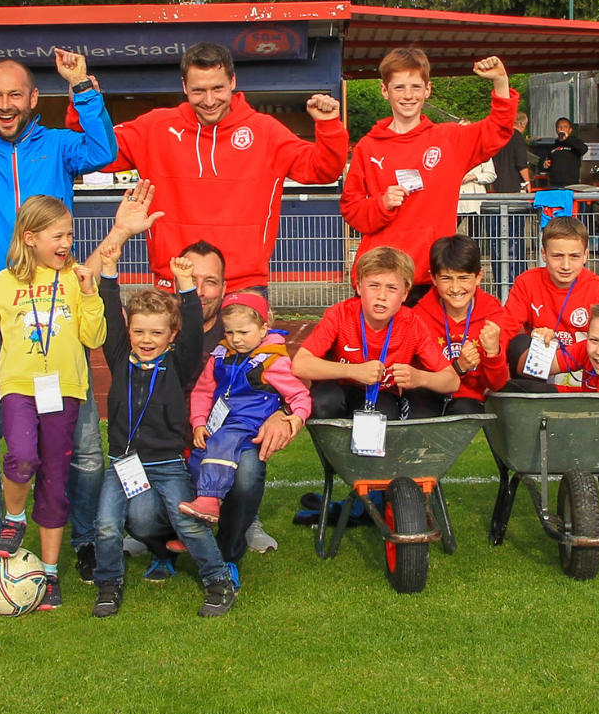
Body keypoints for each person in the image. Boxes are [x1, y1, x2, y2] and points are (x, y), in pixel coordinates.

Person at [0, 49, 116, 584]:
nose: (5, 105)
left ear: (34, 99)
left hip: (56, 312)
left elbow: (104, 150)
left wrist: (83, 86)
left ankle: (80, 540)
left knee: (78, 447)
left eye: (16, 94)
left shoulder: (57, 144)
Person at [98, 41, 347, 294]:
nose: (209, 100)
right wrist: (85, 102)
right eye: (198, 90)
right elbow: (95, 155)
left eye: (218, 88)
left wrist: (328, 126)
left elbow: (323, 170)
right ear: (184, 87)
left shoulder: (265, 131)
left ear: (233, 82)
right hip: (172, 281)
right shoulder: (154, 127)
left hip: (243, 285)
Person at [0, 195, 107, 611]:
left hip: (65, 389)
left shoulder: (76, 278)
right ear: (30, 237)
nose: (67, 242)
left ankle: (49, 571)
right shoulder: (6, 280)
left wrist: (91, 294)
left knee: (56, 482)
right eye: (57, 235)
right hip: (20, 386)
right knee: (21, 457)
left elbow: (93, 338)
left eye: (70, 234)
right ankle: (13, 519)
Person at [91, 247, 234, 618]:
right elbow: (110, 312)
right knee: (107, 525)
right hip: (122, 463)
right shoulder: (121, 356)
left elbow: (189, 320)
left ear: (172, 335)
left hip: (168, 464)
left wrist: (185, 284)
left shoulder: (179, 362)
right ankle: (109, 582)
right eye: (138, 330)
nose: (146, 339)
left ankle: (218, 579)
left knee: (189, 521)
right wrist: (108, 271)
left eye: (156, 332)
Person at [340, 49, 516, 295]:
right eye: (399, 87)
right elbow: (351, 210)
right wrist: (381, 204)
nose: (408, 95)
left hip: (434, 274)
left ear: (428, 89)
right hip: (384, 279)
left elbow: (497, 130)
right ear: (384, 90)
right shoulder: (368, 146)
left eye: (416, 87)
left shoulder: (449, 139)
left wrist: (501, 82)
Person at [186, 293, 312, 526]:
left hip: (250, 424)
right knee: (196, 458)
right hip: (221, 424)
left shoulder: (273, 360)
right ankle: (197, 525)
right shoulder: (220, 356)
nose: (236, 339)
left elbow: (298, 394)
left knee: (223, 443)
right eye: (230, 332)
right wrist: (199, 422)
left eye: (244, 332)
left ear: (263, 329)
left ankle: (210, 499)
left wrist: (297, 417)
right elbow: (202, 392)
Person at [291, 246, 459, 419]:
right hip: (340, 386)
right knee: (324, 402)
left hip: (380, 392)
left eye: (392, 288)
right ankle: (331, 444)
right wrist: (353, 371)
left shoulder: (412, 324)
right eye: (374, 286)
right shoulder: (340, 315)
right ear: (358, 287)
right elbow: (300, 364)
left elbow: (452, 380)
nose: (382, 296)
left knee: (385, 414)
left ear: (405, 294)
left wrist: (420, 378)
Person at [501, 216, 599, 384]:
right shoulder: (527, 282)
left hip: (586, 364)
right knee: (520, 344)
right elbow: (505, 329)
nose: (566, 265)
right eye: (557, 256)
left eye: (574, 256)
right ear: (544, 254)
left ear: (586, 255)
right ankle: (529, 402)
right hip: (542, 366)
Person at [412, 236, 508, 413]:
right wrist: (459, 366)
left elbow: (497, 384)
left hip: (468, 398)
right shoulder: (418, 317)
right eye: (446, 278)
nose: (455, 288)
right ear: (433, 278)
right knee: (419, 412)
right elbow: (416, 376)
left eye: (463, 278)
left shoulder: (493, 315)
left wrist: (493, 353)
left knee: (467, 412)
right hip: (427, 394)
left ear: (478, 276)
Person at [484, 110, 533, 292]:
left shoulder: (496, 137)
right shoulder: (517, 138)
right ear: (524, 124)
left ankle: (501, 285)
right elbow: (522, 163)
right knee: (516, 243)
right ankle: (516, 287)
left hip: (492, 196)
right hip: (514, 197)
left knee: (497, 244)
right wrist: (528, 184)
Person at [543, 117, 588, 187]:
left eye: (565, 127)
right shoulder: (553, 146)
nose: (562, 129)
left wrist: (568, 139)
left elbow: (583, 150)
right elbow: (548, 163)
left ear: (570, 130)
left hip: (572, 183)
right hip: (555, 184)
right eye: (559, 127)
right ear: (556, 130)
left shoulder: (575, 142)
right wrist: (546, 165)